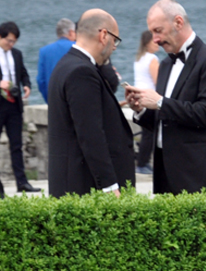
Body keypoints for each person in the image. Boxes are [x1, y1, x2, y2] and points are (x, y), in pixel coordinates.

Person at [125, 0, 206, 195]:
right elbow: (164, 118)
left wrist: (160, 102)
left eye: (158, 30)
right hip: (164, 174)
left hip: (198, 173)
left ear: (178, 23)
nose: (154, 39)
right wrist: (140, 109)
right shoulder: (165, 64)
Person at [47, 10, 134, 197]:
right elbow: (90, 134)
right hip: (85, 187)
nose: (114, 48)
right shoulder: (82, 72)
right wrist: (110, 186)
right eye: (115, 40)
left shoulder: (66, 64)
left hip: (72, 184)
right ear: (103, 35)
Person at [0, 22, 40, 196]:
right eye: (9, 41)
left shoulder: (16, 54)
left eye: (14, 41)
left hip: (14, 105)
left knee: (17, 145)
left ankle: (22, 182)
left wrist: (27, 86)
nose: (11, 44)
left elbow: (23, 73)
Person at [133, 30, 159, 174]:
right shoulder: (152, 59)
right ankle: (142, 164)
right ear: (148, 42)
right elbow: (157, 81)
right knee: (150, 134)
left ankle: (143, 162)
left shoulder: (139, 58)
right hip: (149, 99)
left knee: (146, 132)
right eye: (154, 41)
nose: (158, 43)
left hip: (138, 99)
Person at [36, 18, 76, 103]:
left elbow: (40, 80)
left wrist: (49, 100)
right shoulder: (78, 47)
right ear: (71, 32)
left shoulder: (44, 51)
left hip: (54, 102)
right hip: (75, 100)